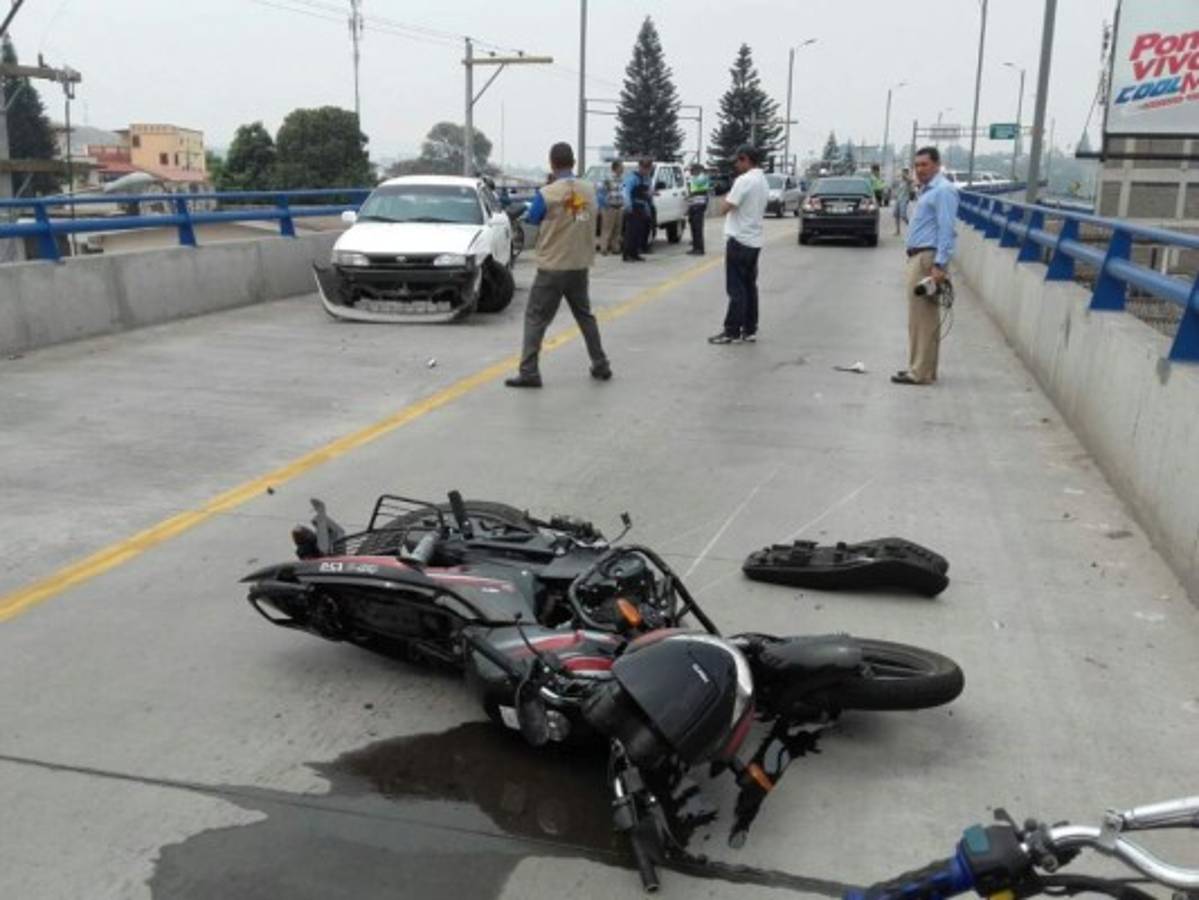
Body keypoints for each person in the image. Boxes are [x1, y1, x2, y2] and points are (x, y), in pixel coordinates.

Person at [505, 142, 611, 389]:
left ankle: (529, 371)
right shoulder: (588, 190)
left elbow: (532, 218)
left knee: (535, 318)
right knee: (585, 316)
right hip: (579, 265)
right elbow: (582, 215)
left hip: (552, 267)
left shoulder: (547, 193)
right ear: (573, 162)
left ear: (552, 163)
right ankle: (601, 363)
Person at [893, 146, 959, 386]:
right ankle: (920, 367)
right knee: (918, 316)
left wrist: (940, 264)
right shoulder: (928, 191)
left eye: (925, 165)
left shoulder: (943, 192)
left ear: (937, 165)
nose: (920, 170)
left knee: (923, 317)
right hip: (918, 256)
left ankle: (920, 371)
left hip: (927, 259)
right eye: (917, 165)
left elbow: (947, 229)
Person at [709, 144, 769, 345]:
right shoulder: (762, 180)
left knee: (736, 289)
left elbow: (725, 208)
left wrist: (725, 193)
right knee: (750, 287)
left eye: (738, 160)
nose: (735, 165)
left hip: (739, 240)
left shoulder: (744, 181)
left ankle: (731, 331)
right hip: (754, 241)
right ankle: (749, 329)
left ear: (746, 160)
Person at [622, 158, 653, 263]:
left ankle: (635, 254)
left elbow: (647, 193)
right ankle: (627, 254)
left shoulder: (645, 178)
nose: (646, 170)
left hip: (642, 207)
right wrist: (628, 206)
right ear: (640, 167)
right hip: (633, 207)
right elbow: (626, 192)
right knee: (631, 232)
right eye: (644, 168)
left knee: (639, 232)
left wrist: (649, 203)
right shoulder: (632, 178)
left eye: (648, 168)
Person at [598, 160, 625, 256]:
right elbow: (600, 191)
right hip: (609, 207)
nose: (623, 168)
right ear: (616, 168)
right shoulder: (607, 178)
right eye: (621, 167)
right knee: (607, 229)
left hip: (619, 206)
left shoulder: (622, 179)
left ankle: (615, 248)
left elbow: (623, 191)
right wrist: (605, 204)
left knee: (617, 229)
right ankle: (604, 248)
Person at [686, 163, 710, 255]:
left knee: (698, 227)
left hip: (699, 204)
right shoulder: (695, 177)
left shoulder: (702, 177)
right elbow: (692, 190)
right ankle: (695, 247)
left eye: (692, 170)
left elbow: (698, 185)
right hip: (694, 204)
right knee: (693, 226)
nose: (691, 172)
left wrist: (690, 178)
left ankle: (699, 249)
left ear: (697, 170)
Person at [892, 166, 915, 235]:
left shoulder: (908, 181)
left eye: (905, 172)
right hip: (898, 199)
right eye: (903, 172)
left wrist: (905, 175)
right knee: (896, 215)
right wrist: (895, 194)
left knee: (903, 215)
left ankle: (912, 228)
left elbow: (911, 180)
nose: (903, 174)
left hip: (904, 199)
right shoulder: (900, 181)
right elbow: (895, 187)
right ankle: (897, 230)